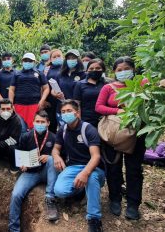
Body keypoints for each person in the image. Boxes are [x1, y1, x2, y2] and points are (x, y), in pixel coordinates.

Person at [94, 56, 146, 220]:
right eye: (119, 70)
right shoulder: (108, 88)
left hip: (136, 133)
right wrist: (118, 111)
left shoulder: (142, 84)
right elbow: (99, 107)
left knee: (134, 169)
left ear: (133, 69)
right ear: (114, 72)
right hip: (113, 134)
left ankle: (133, 203)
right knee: (113, 167)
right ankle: (114, 198)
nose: (123, 72)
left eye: (126, 69)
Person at [52, 100, 105, 232]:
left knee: (91, 178)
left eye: (69, 111)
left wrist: (85, 173)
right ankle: (82, 190)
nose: (66, 114)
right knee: (59, 191)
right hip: (73, 167)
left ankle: (94, 219)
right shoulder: (62, 130)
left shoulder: (88, 129)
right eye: (63, 112)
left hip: (93, 168)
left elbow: (96, 156)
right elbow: (55, 149)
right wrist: (56, 156)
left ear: (77, 112)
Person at [9, 110, 59, 232]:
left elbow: (61, 157)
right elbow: (21, 155)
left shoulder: (54, 137)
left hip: (48, 172)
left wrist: (49, 157)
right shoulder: (26, 136)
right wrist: (22, 165)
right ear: (33, 122)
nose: (39, 124)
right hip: (30, 173)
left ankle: (50, 198)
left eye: (42, 122)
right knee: (16, 195)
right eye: (37, 121)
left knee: (52, 159)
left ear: (48, 123)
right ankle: (13, 228)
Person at [9, 53, 49, 129]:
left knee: (34, 127)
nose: (27, 62)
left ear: (34, 62)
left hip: (35, 105)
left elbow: (46, 88)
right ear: (22, 61)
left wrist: (42, 100)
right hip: (19, 105)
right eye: (25, 60)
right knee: (20, 127)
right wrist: (11, 103)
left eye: (30, 61)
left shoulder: (39, 73)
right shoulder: (17, 74)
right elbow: (11, 89)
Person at [73, 59, 107, 127]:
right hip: (86, 120)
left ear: (102, 70)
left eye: (98, 68)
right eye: (91, 68)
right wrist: (79, 120)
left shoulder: (107, 84)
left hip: (105, 120)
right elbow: (77, 104)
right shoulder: (80, 84)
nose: (94, 70)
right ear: (87, 70)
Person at [45, 49, 64, 132]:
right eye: (54, 57)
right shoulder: (47, 69)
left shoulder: (66, 68)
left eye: (59, 56)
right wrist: (44, 100)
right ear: (51, 59)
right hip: (50, 101)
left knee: (63, 124)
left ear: (62, 57)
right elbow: (43, 86)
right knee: (51, 124)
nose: (57, 58)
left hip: (63, 100)